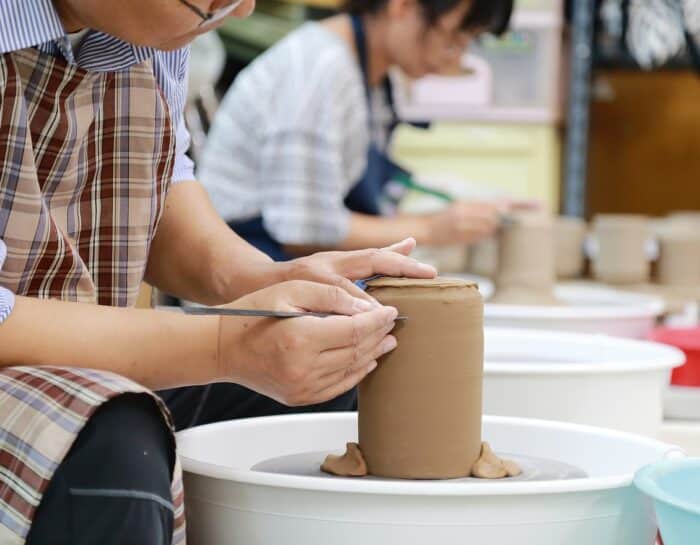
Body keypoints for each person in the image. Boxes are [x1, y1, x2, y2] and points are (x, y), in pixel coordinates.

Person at [0, 1, 437, 543]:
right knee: (114, 438)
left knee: (336, 369)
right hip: (35, 363)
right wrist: (228, 345)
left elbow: (152, 194)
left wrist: (266, 282)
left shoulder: (145, 30)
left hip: (85, 356)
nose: (241, 9)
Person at [199, 0, 515, 262]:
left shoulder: (371, 73)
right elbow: (303, 231)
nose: (455, 58)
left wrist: (473, 203)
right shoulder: (320, 70)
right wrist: (433, 229)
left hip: (292, 271)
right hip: (243, 275)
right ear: (402, 6)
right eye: (451, 38)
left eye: (467, 43)